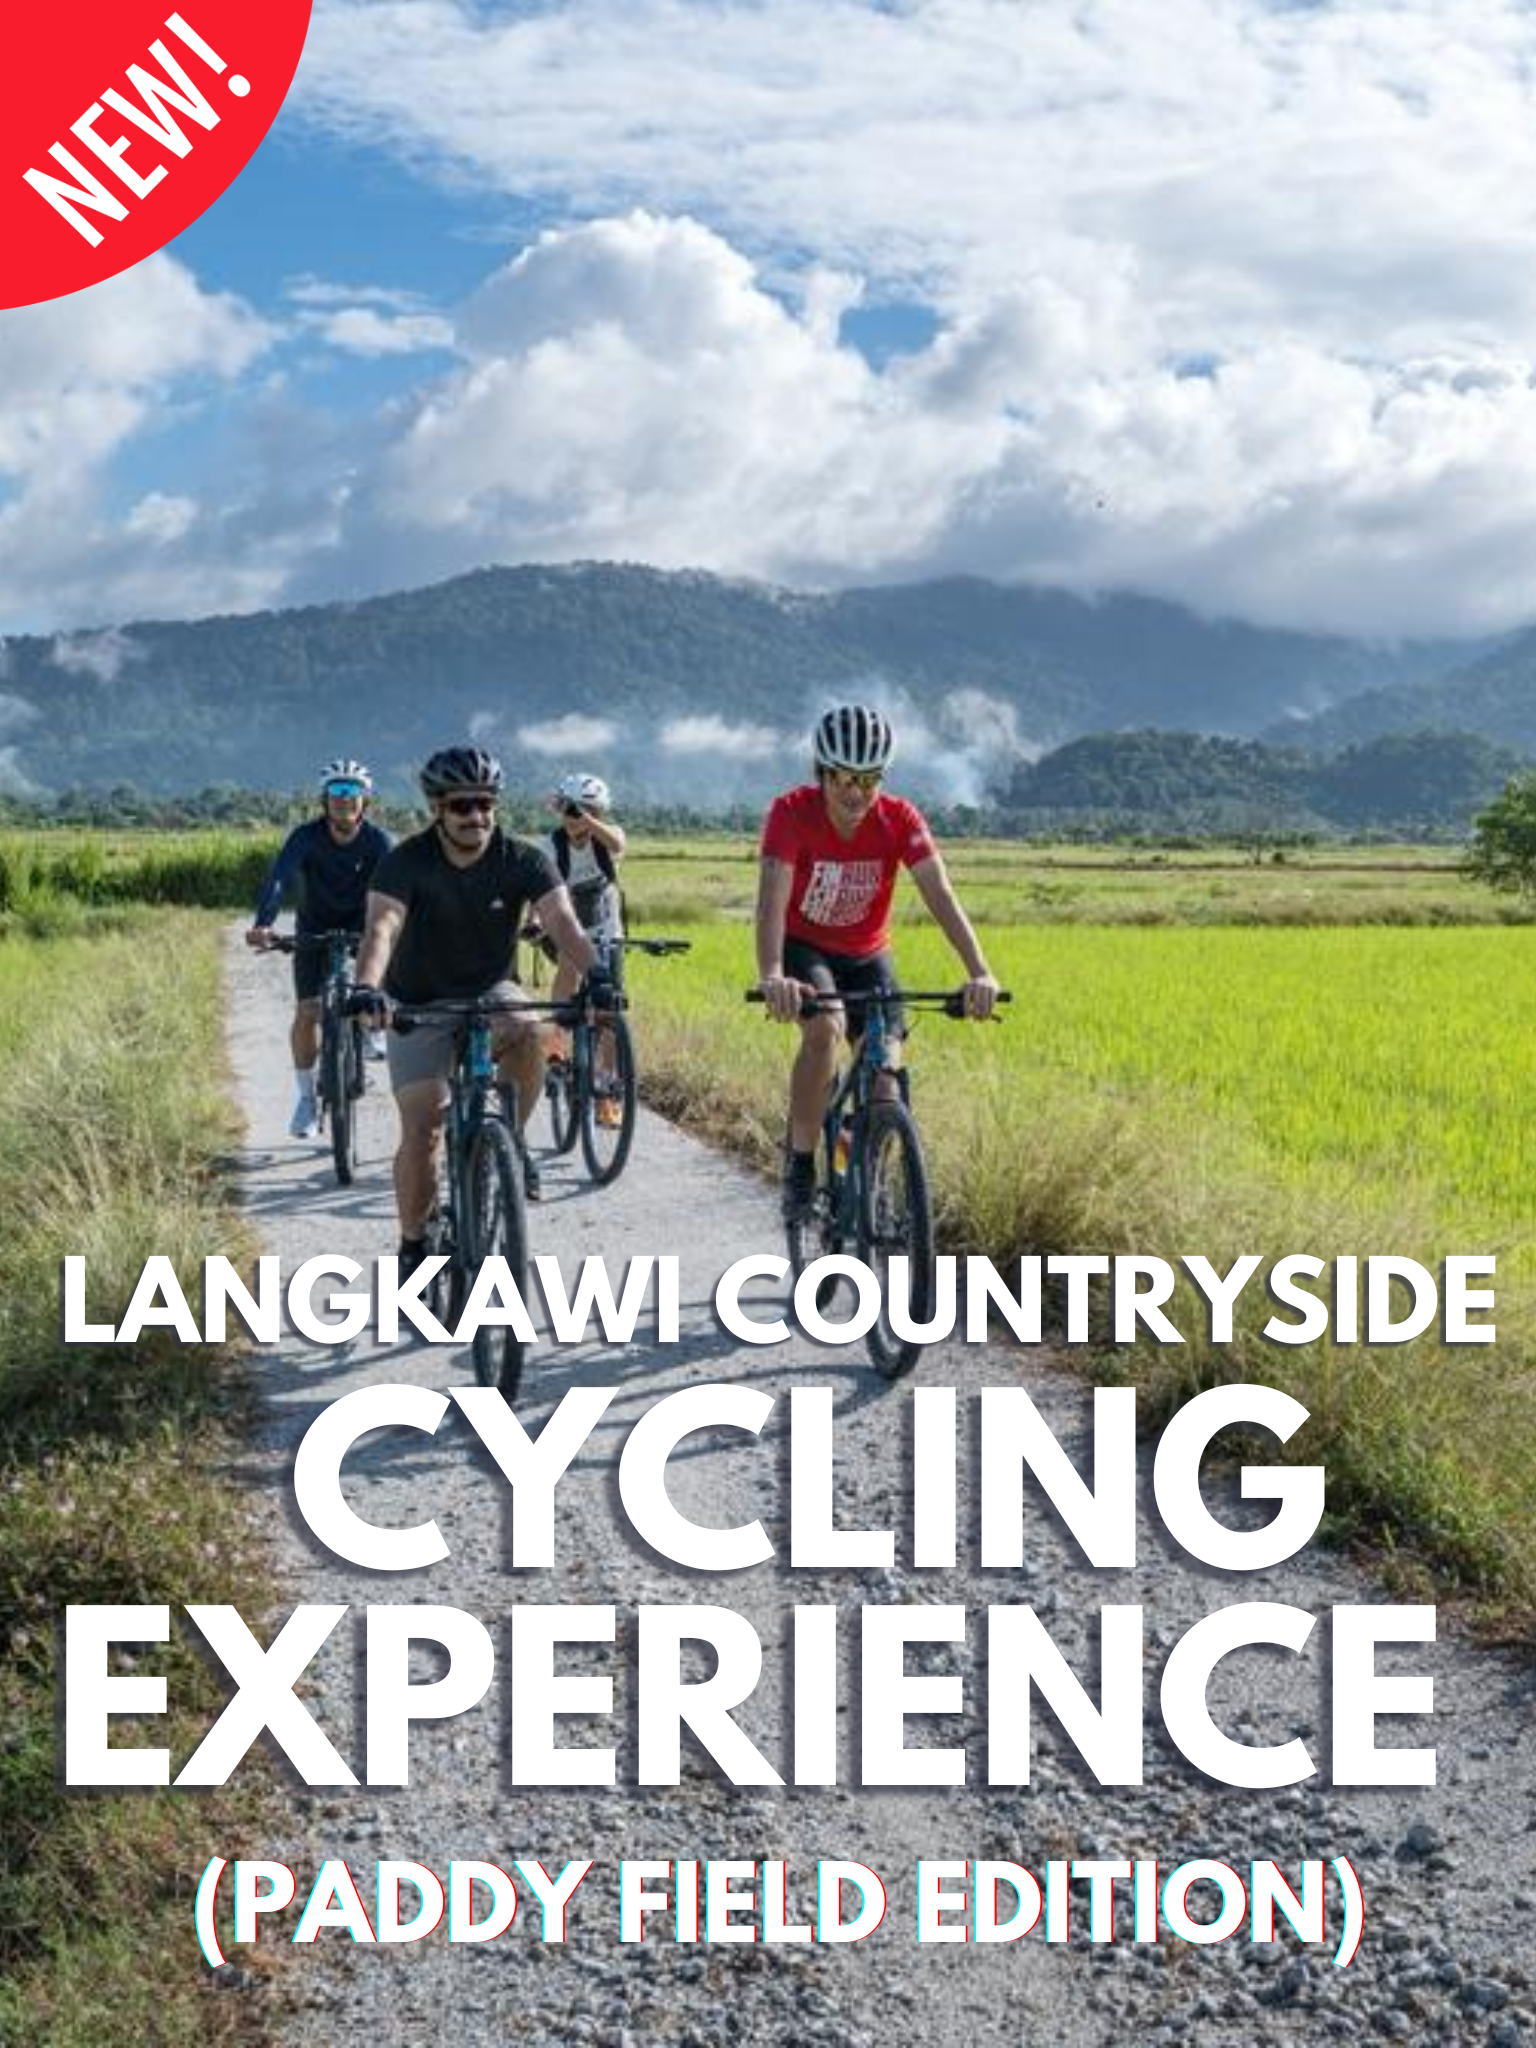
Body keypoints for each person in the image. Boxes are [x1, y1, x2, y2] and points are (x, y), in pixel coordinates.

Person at [347, 744, 600, 1270]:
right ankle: (414, 1243)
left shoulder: (523, 858)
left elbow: (561, 922)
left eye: (486, 804)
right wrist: (367, 987)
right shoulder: (406, 862)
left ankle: (510, 1141)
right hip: (419, 1003)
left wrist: (596, 977)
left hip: (491, 992)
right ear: (437, 808)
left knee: (531, 1030)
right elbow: (382, 929)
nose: (477, 816)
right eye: (462, 805)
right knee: (422, 1131)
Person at [755, 703, 1000, 1220]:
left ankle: (865, 1177)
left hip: (868, 954)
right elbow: (771, 901)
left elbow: (940, 894)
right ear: (822, 772)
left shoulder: (900, 819)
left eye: (868, 779)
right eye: (843, 777)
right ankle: (801, 1162)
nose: (855, 792)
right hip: (807, 948)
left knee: (885, 1075)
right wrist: (773, 974)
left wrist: (979, 970)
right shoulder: (791, 813)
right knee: (825, 1027)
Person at [246, 758, 394, 1139]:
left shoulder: (378, 841)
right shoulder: (306, 836)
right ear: (324, 799)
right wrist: (264, 923)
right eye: (336, 792)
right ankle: (307, 1098)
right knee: (308, 1011)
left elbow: (397, 887)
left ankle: (367, 1025)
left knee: (372, 981)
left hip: (363, 928)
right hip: (314, 927)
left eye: (352, 792)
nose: (344, 799)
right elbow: (279, 878)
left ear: (366, 801)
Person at [536, 771, 627, 1125]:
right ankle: (557, 1039)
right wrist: (535, 921)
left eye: (586, 809)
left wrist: (587, 818)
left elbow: (618, 846)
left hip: (607, 931)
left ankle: (608, 1088)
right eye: (568, 809)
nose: (573, 817)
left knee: (608, 1012)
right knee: (570, 968)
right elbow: (540, 892)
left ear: (599, 811)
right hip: (569, 929)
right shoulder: (551, 846)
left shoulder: (608, 836)